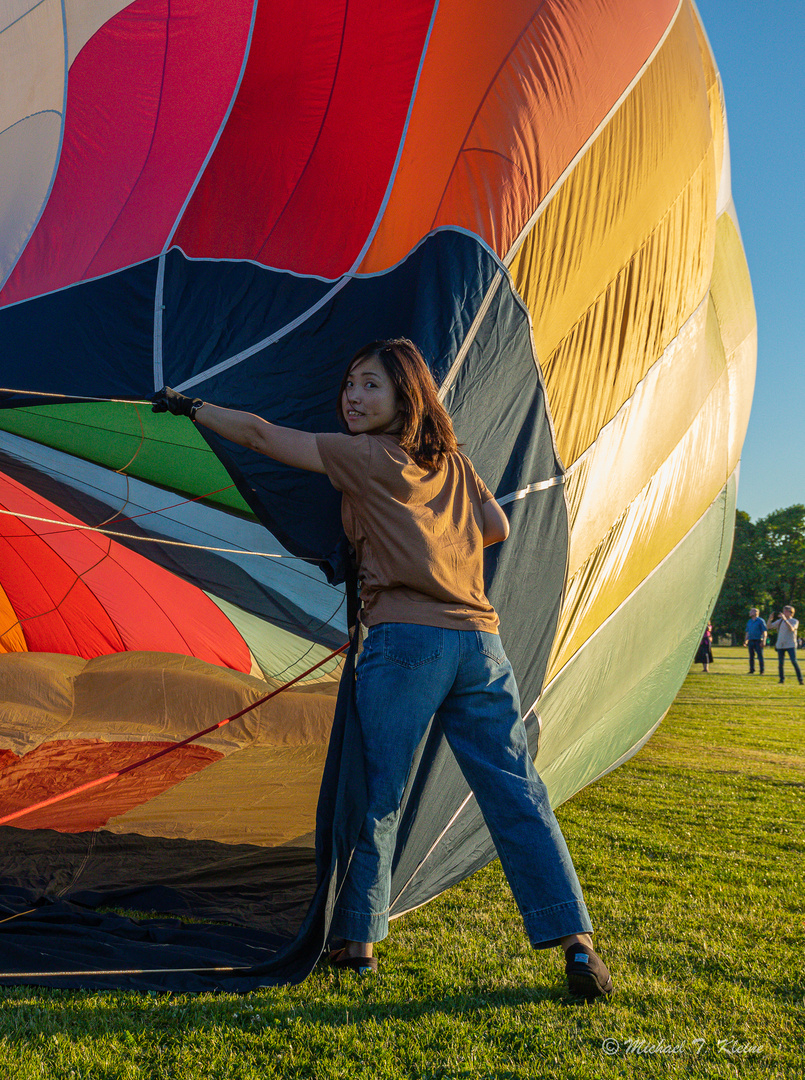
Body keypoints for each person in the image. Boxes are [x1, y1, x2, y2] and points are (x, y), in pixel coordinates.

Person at [152, 339, 613, 1001]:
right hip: (480, 646)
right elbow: (494, 525)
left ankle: (359, 945)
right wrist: (434, 538)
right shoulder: (451, 462)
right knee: (516, 793)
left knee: (377, 797)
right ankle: (575, 944)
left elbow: (259, 434)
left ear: (405, 396)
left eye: (369, 385)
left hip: (405, 643)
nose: (351, 398)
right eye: (348, 385)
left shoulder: (364, 456)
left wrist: (191, 407)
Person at [767, 606, 801, 684]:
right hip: (781, 645)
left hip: (790, 644)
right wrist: (770, 619)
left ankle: (800, 679)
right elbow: (769, 626)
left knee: (794, 661)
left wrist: (785, 620)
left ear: (791, 613)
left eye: (786, 611)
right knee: (780, 664)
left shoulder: (794, 621)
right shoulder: (780, 621)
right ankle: (781, 679)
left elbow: (792, 629)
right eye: (783, 611)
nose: (784, 613)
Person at [746, 608, 768, 674]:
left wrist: (764, 640)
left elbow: (764, 631)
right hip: (751, 640)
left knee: (760, 656)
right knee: (751, 656)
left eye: (751, 611)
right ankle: (751, 670)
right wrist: (746, 640)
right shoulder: (749, 621)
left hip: (758, 640)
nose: (750, 612)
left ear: (756, 612)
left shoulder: (760, 621)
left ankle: (762, 670)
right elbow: (747, 631)